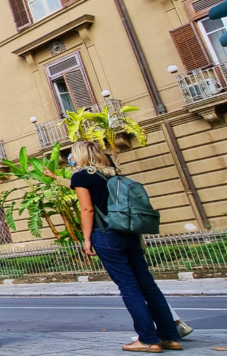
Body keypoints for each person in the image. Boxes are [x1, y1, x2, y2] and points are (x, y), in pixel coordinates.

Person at [69, 141, 181, 352]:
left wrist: (86, 239)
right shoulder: (113, 175)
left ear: (80, 155)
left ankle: (148, 339)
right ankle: (170, 337)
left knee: (129, 287)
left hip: (106, 234)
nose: (71, 158)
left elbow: (87, 209)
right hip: (129, 232)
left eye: (72, 154)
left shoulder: (81, 176)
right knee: (149, 286)